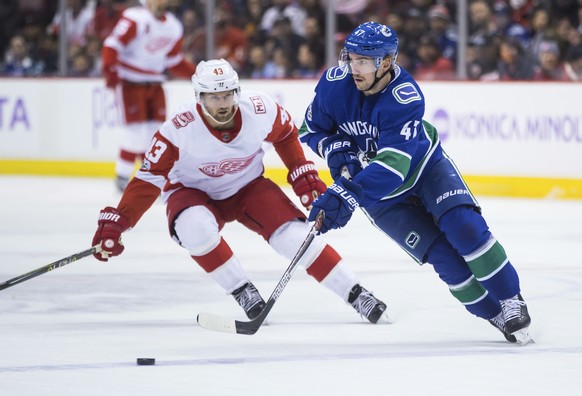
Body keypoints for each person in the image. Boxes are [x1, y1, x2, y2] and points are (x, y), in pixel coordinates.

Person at [91, 58, 388, 324]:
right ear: (199, 97)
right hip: (192, 191)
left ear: (237, 92)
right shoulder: (178, 128)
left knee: (295, 238)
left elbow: (286, 135)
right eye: (213, 96)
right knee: (194, 229)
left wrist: (302, 175)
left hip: (248, 187)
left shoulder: (259, 109)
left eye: (227, 95)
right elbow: (147, 180)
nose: (222, 103)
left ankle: (356, 293)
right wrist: (121, 220)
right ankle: (242, 290)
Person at [299, 22, 532, 344]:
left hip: (424, 170)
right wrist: (336, 148)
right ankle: (494, 314)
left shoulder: (403, 97)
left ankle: (510, 299)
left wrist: (347, 193)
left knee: (463, 227)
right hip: (379, 197)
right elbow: (310, 130)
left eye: (364, 61)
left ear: (387, 61)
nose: (355, 68)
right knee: (442, 257)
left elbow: (395, 165)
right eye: (351, 58)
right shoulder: (333, 85)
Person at [102, 0, 196, 192]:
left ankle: (151, 177)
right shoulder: (134, 18)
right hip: (130, 83)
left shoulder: (173, 26)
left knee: (155, 135)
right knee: (136, 133)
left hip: (155, 83)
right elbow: (112, 45)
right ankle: (122, 176)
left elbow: (173, 60)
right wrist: (110, 70)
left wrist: (196, 74)